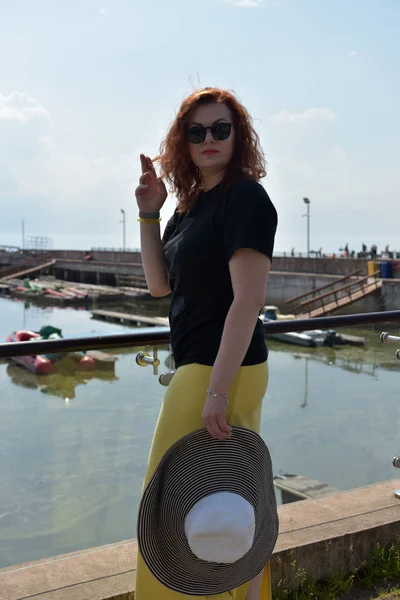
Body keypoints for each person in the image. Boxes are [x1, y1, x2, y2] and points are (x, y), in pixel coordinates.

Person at [134, 87, 278, 600]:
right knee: (219, 500)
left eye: (221, 128)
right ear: (183, 143)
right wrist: (151, 212)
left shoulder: (246, 198)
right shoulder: (191, 208)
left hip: (222, 370)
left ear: (238, 137)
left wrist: (217, 390)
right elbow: (159, 285)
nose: (209, 139)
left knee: (176, 503)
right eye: (196, 132)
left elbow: (248, 301)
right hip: (204, 366)